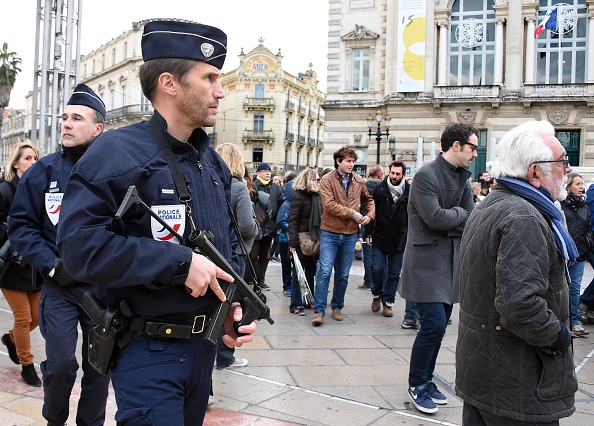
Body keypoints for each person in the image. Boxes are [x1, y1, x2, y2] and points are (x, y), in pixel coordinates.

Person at [55, 20, 256, 425]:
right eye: (210, 78)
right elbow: (78, 248)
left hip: (204, 350)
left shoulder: (211, 161)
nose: (221, 91)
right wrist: (178, 264)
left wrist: (233, 308)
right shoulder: (115, 152)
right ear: (169, 82)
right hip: (148, 354)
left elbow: (225, 250)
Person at [457, 120, 577, 424]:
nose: (568, 168)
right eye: (562, 161)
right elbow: (519, 305)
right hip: (518, 380)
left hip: (490, 372)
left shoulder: (495, 203)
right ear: (535, 172)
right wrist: (558, 336)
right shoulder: (524, 216)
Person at [8, 85, 111, 424]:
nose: (66, 123)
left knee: (99, 367)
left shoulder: (116, 173)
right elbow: (21, 226)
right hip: (59, 288)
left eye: (76, 118)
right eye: (64, 117)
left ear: (97, 128)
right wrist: (50, 265)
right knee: (62, 365)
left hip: (102, 289)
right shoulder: (44, 171)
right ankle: (55, 418)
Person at [399, 122, 478, 414]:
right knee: (432, 324)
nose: (474, 154)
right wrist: (457, 219)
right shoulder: (424, 175)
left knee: (439, 326)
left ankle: (427, 380)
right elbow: (434, 218)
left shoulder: (463, 178)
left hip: (449, 261)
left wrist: (454, 219)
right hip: (425, 264)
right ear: (455, 145)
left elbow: (473, 216)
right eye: (472, 147)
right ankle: (417, 383)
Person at [311, 146, 375, 326]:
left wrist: (370, 215)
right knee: (324, 271)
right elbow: (329, 205)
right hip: (330, 232)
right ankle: (319, 311)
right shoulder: (327, 180)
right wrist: (353, 214)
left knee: (343, 274)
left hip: (350, 234)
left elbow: (368, 199)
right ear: (338, 161)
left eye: (353, 161)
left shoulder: (358, 180)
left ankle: (337, 307)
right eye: (348, 161)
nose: (351, 164)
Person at [214, 143, 260, 370]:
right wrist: (257, 229)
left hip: (213, 252)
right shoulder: (239, 186)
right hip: (237, 253)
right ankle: (225, 357)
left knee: (214, 304)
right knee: (230, 307)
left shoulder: (210, 183)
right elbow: (247, 226)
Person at [0, 142, 41, 386]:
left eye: (36, 158)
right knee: (23, 318)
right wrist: (16, 230)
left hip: (34, 265)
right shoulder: (5, 190)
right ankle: (27, 365)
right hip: (11, 266)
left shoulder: (39, 189)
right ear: (16, 163)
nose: (33, 162)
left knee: (37, 317)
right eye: (28, 158)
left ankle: (11, 339)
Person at [365, 161, 410, 318]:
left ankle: (388, 302)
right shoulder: (380, 189)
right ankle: (377, 294)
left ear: (403, 175)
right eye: (392, 173)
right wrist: (368, 233)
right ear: (389, 173)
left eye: (398, 174)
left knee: (394, 273)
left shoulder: (409, 192)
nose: (394, 176)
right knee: (377, 268)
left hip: (399, 238)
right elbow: (371, 211)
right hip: (380, 235)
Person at [560, 172, 590, 337]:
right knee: (561, 286)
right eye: (577, 184)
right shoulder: (561, 204)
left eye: (582, 184)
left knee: (574, 287)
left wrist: (587, 242)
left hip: (580, 253)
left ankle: (574, 321)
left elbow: (589, 227)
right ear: (568, 186)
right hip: (565, 253)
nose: (581, 187)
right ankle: (563, 321)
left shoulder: (584, 205)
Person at [288, 168, 322, 315]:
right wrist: (292, 243)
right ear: (309, 180)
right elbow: (293, 221)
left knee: (310, 272)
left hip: (314, 237)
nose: (319, 181)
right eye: (317, 179)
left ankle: (309, 300)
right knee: (298, 273)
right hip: (302, 240)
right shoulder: (298, 196)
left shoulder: (317, 196)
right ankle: (296, 304)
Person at [250, 163, 284, 291]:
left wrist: (277, 221)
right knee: (253, 255)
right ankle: (255, 278)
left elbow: (281, 204)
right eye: (264, 171)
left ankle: (261, 280)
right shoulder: (253, 186)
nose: (267, 173)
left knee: (265, 255)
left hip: (270, 226)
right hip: (256, 226)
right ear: (258, 173)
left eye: (269, 170)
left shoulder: (275, 188)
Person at [359, 164, 383, 291]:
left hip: (366, 221)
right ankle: (377, 281)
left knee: (367, 254)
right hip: (380, 224)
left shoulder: (364, 186)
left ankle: (368, 280)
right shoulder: (384, 187)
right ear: (379, 175)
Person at [276, 174, 296, 297]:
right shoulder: (286, 205)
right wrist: (292, 228)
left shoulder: (293, 204)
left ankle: (292, 286)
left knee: (294, 265)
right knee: (287, 265)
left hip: (293, 239)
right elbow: (280, 221)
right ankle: (287, 286)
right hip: (285, 240)